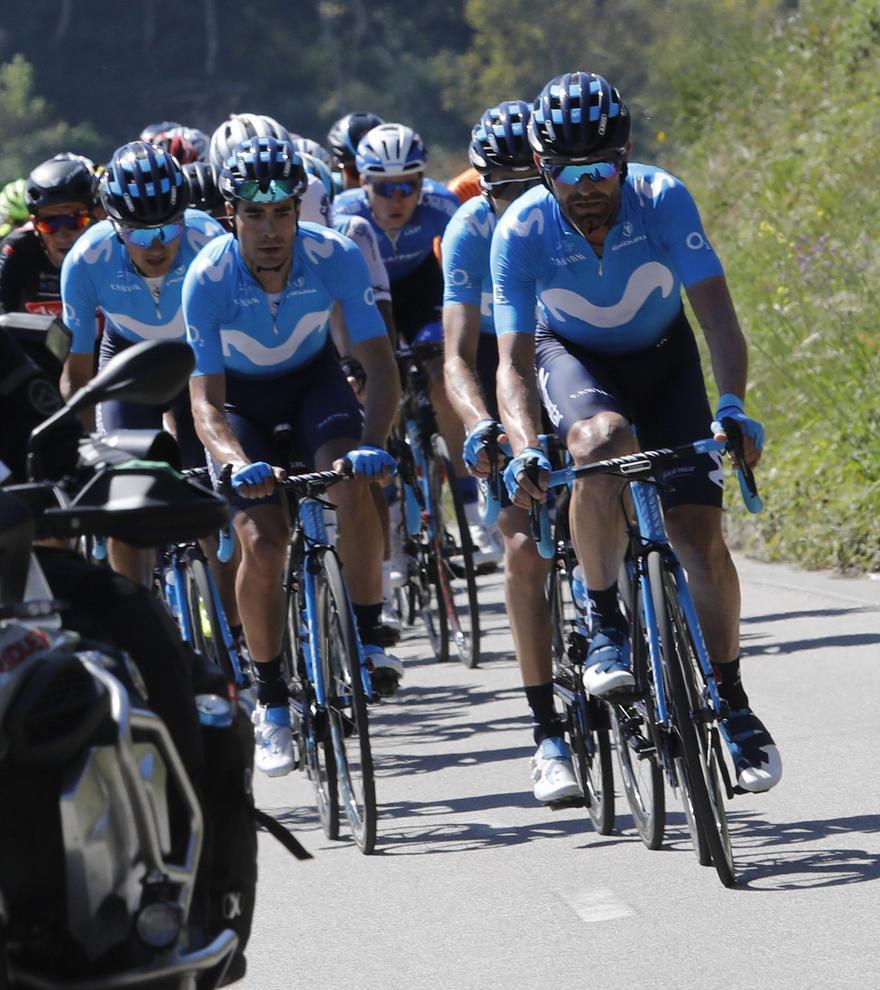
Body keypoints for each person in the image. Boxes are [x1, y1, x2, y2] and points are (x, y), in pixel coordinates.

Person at [492, 71, 781, 793]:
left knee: (698, 540)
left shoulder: (661, 198)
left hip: (665, 359)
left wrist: (734, 404)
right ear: (540, 166)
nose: (586, 186)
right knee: (597, 441)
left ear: (624, 155)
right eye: (566, 170)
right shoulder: (521, 229)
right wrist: (526, 441)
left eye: (600, 168)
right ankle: (605, 620)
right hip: (573, 358)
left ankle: (734, 704)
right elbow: (512, 363)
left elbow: (716, 315)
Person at [182, 136, 401, 777]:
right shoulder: (208, 278)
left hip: (315, 384)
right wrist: (229, 458)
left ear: (299, 211)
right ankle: (272, 700)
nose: (271, 228)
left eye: (283, 212)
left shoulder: (334, 255)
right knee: (264, 539)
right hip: (240, 406)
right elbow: (205, 404)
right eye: (255, 214)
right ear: (232, 215)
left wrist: (374, 444)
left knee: (351, 481)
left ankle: (365, 634)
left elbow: (381, 368)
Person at [442, 101, 578, 802]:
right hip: (510, 386)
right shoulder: (469, 234)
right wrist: (475, 424)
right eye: (505, 189)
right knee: (524, 550)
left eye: (535, 181)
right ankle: (546, 733)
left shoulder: (575, 217)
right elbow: (459, 357)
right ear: (481, 187)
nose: (522, 199)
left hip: (577, 368)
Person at [59, 140, 226, 585]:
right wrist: (86, 454)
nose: (156, 247)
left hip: (197, 360)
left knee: (213, 504)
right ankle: (142, 619)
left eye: (168, 231)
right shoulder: (84, 261)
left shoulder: (210, 239)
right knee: (128, 505)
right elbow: (78, 373)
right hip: (128, 363)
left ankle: (236, 641)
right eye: (139, 233)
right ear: (114, 226)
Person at [334, 122, 499, 565]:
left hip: (422, 291)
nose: (397, 199)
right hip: (369, 298)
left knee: (444, 378)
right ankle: (392, 528)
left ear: (422, 182)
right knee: (373, 394)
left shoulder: (441, 205)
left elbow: (464, 271)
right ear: (361, 181)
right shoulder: (344, 213)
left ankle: (471, 510)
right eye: (383, 188)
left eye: (409, 185)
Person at [0, 155, 98, 332]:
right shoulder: (17, 250)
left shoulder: (114, 246)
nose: (63, 233)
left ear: (93, 219)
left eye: (75, 220)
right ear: (35, 224)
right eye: (50, 222)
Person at [326, 111, 385, 193]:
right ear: (337, 163)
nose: (363, 182)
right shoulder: (324, 191)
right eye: (356, 173)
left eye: (376, 174)